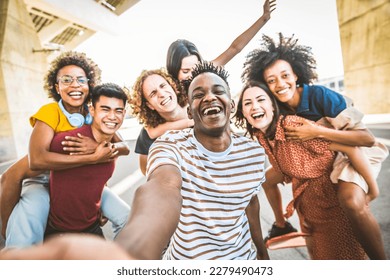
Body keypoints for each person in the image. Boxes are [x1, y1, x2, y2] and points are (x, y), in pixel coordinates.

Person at [241, 33, 388, 259]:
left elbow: (364, 140)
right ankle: (281, 224)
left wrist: (316, 130)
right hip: (327, 148)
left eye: (285, 76)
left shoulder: (319, 95)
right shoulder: (279, 111)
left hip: (354, 146)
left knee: (350, 200)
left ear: (296, 74)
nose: (280, 84)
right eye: (271, 81)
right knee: (267, 178)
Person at [117, 62, 269, 260]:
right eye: (198, 95)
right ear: (189, 111)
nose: (209, 97)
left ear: (232, 105)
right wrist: (137, 244)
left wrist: (262, 252)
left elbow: (250, 203)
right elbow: (162, 187)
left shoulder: (254, 153)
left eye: (218, 91)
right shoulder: (169, 145)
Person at [0, 51, 130, 247]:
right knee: (29, 221)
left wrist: (97, 148)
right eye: (66, 80)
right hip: (42, 179)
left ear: (89, 85)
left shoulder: (93, 113)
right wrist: (91, 157)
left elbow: (123, 147)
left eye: (80, 79)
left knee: (128, 217)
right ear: (57, 87)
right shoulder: (50, 112)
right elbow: (36, 160)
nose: (75, 84)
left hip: (78, 182)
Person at [133, 0, 277, 174]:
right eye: (185, 71)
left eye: (195, 67)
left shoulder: (205, 72)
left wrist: (263, 18)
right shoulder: (172, 92)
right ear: (174, 74)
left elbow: (234, 48)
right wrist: (189, 122)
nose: (192, 75)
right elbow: (151, 130)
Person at [45, 83, 128, 237]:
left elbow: (97, 178)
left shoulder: (112, 146)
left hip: (92, 226)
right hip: (60, 232)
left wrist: (99, 205)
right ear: (92, 110)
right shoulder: (70, 141)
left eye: (118, 111)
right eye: (105, 109)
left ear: (124, 113)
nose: (112, 116)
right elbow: (31, 165)